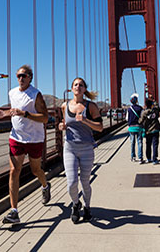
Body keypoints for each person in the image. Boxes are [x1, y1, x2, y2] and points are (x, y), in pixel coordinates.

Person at [0, 65, 51, 224]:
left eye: (24, 76)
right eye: (18, 76)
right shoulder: (12, 93)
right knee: (14, 170)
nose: (20, 78)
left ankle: (45, 186)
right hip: (16, 138)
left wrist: (25, 114)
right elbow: (14, 111)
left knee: (35, 170)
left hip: (34, 139)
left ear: (30, 77)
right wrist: (3, 113)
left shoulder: (35, 95)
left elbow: (45, 118)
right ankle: (14, 211)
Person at [58, 77, 103, 224]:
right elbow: (65, 123)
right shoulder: (64, 106)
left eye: (81, 85)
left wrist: (85, 121)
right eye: (75, 85)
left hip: (86, 149)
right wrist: (62, 126)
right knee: (71, 183)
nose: (78, 87)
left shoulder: (91, 106)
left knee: (85, 182)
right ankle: (76, 204)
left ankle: (87, 207)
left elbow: (100, 127)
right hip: (70, 148)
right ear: (72, 88)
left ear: (84, 89)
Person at [139, 97, 160, 164]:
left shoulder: (144, 113)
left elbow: (140, 121)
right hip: (155, 130)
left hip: (148, 131)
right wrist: (154, 101)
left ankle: (149, 158)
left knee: (148, 145)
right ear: (152, 104)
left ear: (146, 105)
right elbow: (158, 107)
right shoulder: (155, 111)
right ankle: (154, 159)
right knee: (155, 145)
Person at [126, 93, 144, 163]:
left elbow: (127, 119)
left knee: (132, 142)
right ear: (136, 101)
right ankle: (140, 158)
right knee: (140, 142)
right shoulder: (140, 108)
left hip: (131, 128)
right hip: (139, 127)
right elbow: (142, 117)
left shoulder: (129, 109)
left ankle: (133, 157)